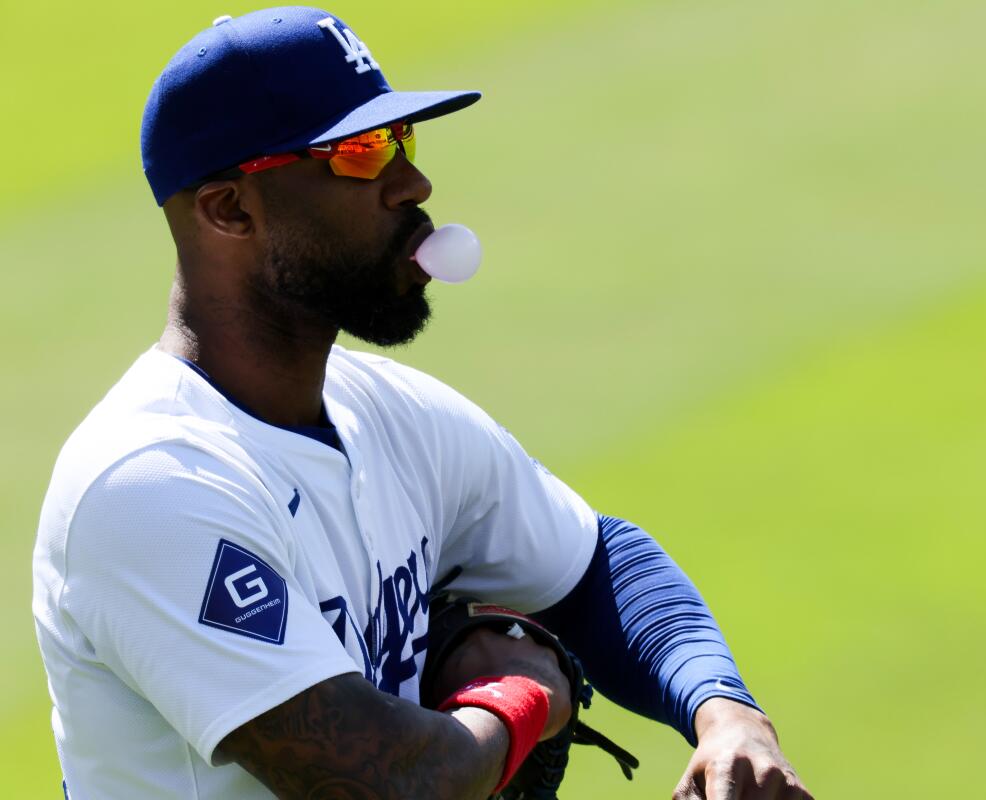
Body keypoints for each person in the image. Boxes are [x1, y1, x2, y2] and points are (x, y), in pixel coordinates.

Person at [32, 7, 812, 799]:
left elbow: (594, 564)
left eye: (403, 141)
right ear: (229, 210)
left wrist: (725, 713)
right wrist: (522, 694)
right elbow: (390, 786)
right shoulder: (152, 486)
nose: (413, 183)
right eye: (360, 154)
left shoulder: (390, 415)